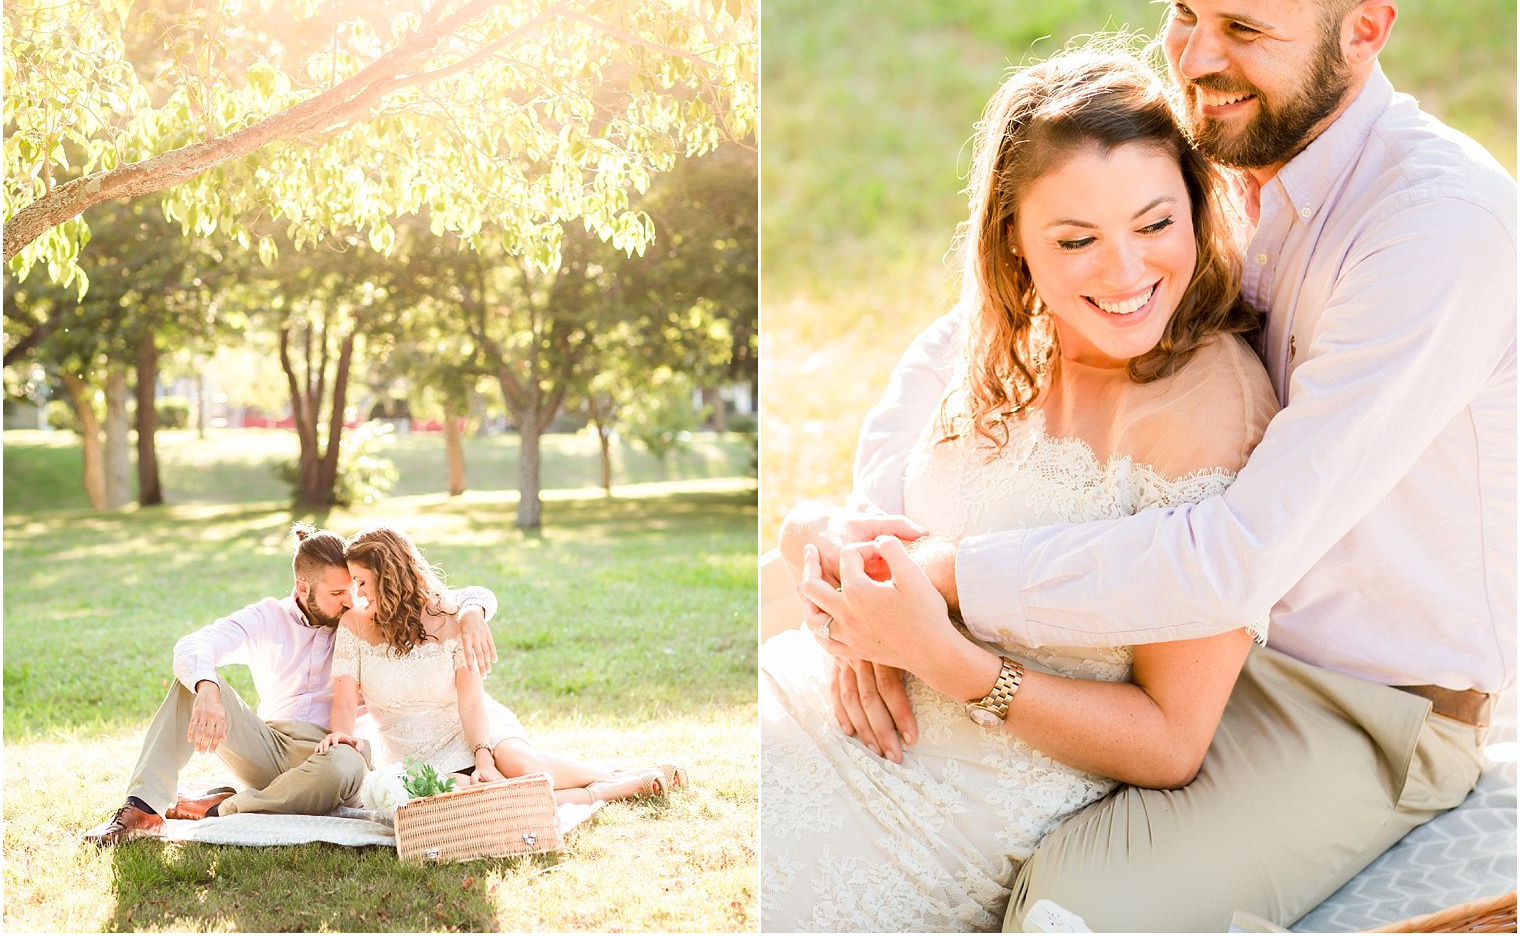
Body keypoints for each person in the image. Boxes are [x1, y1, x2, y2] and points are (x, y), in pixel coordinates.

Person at [823, 0, 1514, 931]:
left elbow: (1236, 556)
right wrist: (869, 544)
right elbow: (969, 329)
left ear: (1364, 31)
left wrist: (946, 578)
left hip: (1353, 702)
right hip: (1177, 645)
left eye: (1242, 30)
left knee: (1076, 907)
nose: (1193, 59)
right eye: (1181, 11)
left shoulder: (1435, 232)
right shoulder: (1218, 147)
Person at [760, 48, 1280, 932]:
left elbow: (1170, 738)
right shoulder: (996, 343)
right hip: (811, 713)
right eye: (1075, 240)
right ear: (1013, 239)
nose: (1123, 274)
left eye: (1155, 224)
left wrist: (950, 663)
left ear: (1197, 207)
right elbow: (869, 526)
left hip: (938, 815)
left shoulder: (1211, 407)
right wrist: (831, 566)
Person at [83, 523, 500, 844]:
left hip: (331, 756)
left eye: (353, 588)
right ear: (303, 587)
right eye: (339, 591)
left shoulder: (364, 620)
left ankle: (224, 807)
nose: (351, 600)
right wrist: (207, 687)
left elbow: (447, 592)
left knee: (348, 761)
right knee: (190, 682)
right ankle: (141, 809)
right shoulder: (267, 618)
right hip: (268, 745)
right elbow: (195, 645)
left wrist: (473, 611)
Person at [316, 525, 683, 805]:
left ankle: (609, 777)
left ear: (390, 577)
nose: (357, 595)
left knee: (521, 768)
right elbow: (345, 701)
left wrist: (484, 758)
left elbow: (472, 701)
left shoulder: (451, 617)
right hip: (411, 752)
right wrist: (342, 733)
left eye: (362, 582)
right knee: (481, 800)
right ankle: (606, 790)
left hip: (471, 728)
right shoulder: (354, 625)